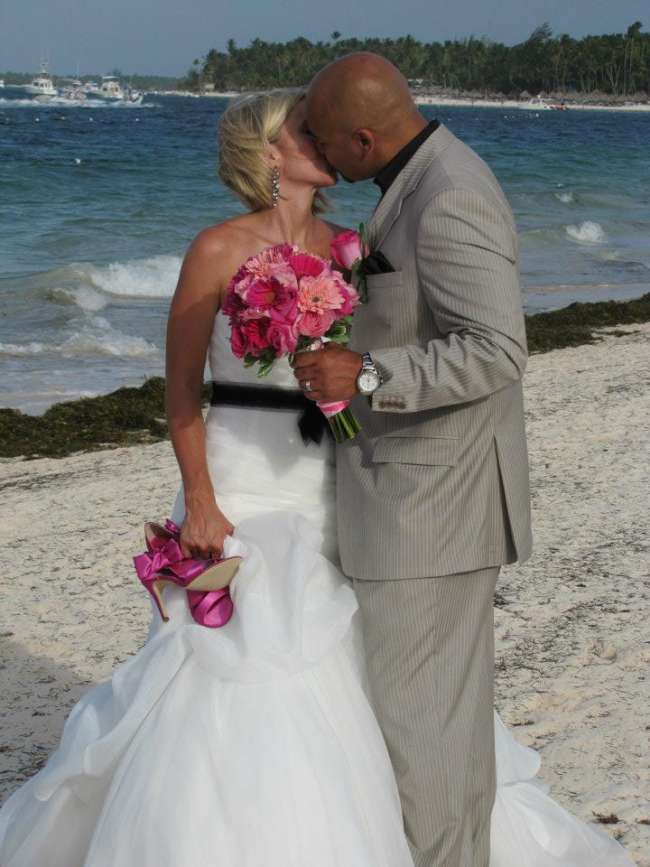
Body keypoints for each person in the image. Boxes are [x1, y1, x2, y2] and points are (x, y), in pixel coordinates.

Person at [0, 85, 634, 867]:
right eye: (303, 130)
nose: (321, 138)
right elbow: (179, 390)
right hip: (241, 481)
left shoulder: (350, 246)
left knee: (379, 664)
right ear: (268, 155)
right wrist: (200, 497)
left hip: (338, 477)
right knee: (241, 659)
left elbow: (396, 352)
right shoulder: (216, 249)